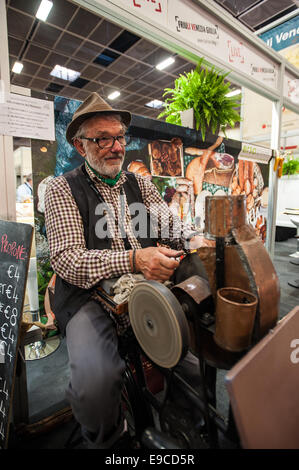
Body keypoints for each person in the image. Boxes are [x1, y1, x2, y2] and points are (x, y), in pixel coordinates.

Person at [44, 92, 212, 449]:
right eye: (102, 138)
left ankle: (180, 424)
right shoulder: (62, 189)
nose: (115, 146)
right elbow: (68, 259)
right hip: (88, 296)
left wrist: (199, 239)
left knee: (193, 368)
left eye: (119, 137)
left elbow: (169, 225)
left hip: (144, 291)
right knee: (96, 383)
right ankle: (111, 442)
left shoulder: (141, 184)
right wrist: (135, 260)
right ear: (79, 145)